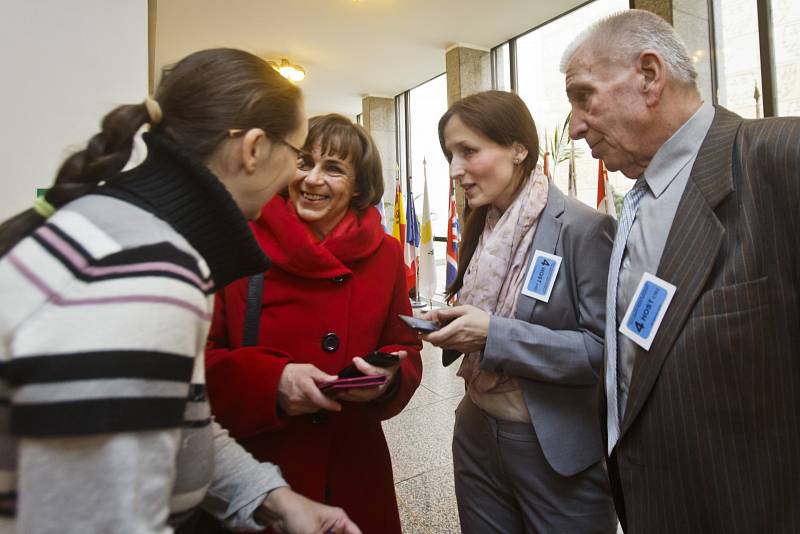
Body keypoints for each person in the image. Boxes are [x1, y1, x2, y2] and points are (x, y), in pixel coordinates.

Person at [0, 48, 360, 534]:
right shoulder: (147, 279)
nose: (299, 176)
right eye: (297, 155)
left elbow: (174, 420)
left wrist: (271, 498)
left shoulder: (120, 231)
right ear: (253, 148)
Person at [562, 9, 800, 533]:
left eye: (583, 97)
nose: (575, 127)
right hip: (652, 503)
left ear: (649, 75)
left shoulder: (780, 157)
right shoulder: (635, 201)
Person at [205, 113, 423, 533]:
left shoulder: (386, 255)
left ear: (358, 186)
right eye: (304, 162)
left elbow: (405, 347)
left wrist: (388, 379)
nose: (312, 179)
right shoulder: (236, 244)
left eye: (334, 168)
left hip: (354, 468)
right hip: (263, 472)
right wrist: (274, 382)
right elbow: (199, 362)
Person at [422, 90, 616, 533]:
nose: (456, 171)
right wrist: (455, 326)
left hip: (552, 445)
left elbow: (604, 352)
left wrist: (493, 335)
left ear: (518, 148)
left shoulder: (584, 230)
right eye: (450, 155)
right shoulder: (484, 226)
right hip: (475, 429)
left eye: (468, 151)